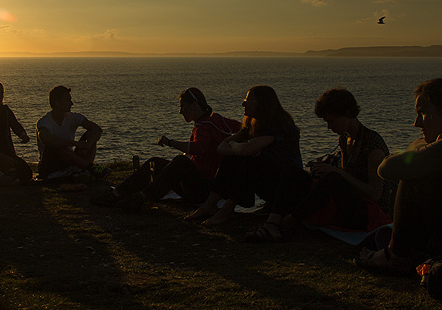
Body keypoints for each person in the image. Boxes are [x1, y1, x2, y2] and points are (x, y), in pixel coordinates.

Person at [356, 78, 442, 275]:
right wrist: (432, 145)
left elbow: (387, 168)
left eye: (422, 113)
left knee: (417, 177)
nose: (416, 123)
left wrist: (436, 146)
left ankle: (396, 256)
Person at [245, 88, 392, 242]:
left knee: (332, 178)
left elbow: (375, 194)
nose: (329, 127)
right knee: (293, 172)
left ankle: (288, 222)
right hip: (347, 201)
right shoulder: (345, 139)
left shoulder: (372, 147)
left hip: (369, 213)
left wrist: (337, 173)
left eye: (332, 121)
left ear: (348, 114)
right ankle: (272, 223)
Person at [90, 87, 241, 212]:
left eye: (183, 106)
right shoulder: (219, 120)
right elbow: (243, 128)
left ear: (195, 105)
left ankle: (136, 197)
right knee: (155, 163)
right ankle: (119, 194)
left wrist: (170, 142)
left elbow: (198, 148)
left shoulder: (204, 126)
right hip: (211, 186)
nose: (180, 111)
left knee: (180, 161)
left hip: (204, 190)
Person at [186, 85, 301, 226]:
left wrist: (237, 146)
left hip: (285, 187)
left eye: (248, 100)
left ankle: (226, 210)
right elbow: (221, 148)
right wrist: (239, 147)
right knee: (232, 158)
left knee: (252, 161)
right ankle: (209, 204)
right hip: (264, 181)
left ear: (261, 103)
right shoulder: (253, 124)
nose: (243, 103)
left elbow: (246, 149)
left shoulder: (279, 125)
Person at [36, 86, 110, 182]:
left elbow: (96, 129)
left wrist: (89, 144)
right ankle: (90, 168)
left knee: (91, 135)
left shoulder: (73, 117)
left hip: (69, 160)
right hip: (50, 165)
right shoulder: (44, 122)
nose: (72, 103)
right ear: (57, 102)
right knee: (58, 147)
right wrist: (75, 143)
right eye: (67, 100)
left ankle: (85, 169)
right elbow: (46, 139)